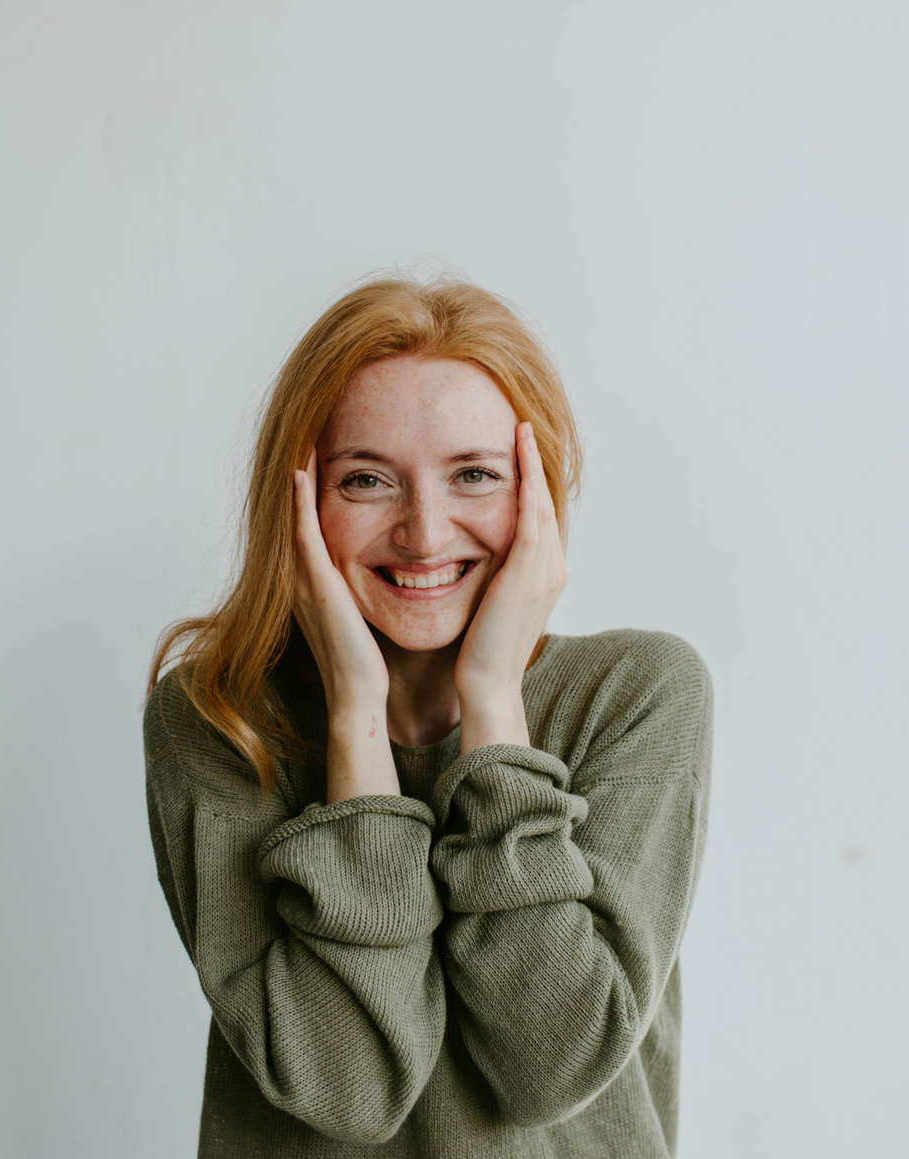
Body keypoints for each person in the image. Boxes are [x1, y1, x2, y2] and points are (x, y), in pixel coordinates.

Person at [144, 276, 713, 1157]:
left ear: (536, 496)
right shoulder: (218, 717)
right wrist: (356, 726)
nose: (423, 530)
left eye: (474, 475)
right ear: (298, 497)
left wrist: (492, 701)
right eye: (367, 479)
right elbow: (348, 1088)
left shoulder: (639, 693)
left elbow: (551, 1068)